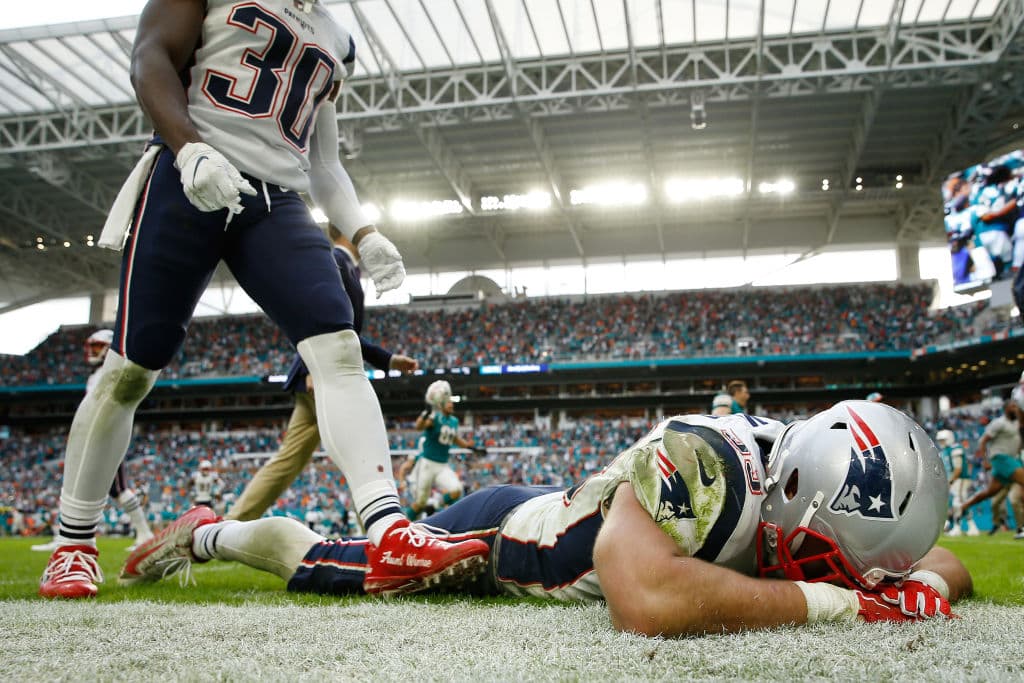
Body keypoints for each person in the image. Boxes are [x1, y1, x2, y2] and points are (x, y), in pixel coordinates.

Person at [39, 0, 488, 599]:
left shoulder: (336, 36)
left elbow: (325, 161)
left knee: (339, 349)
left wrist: (364, 231)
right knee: (130, 371)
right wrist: (190, 146)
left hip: (275, 199)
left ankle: (389, 532)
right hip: (187, 173)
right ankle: (73, 543)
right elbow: (151, 59)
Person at [122, 401, 971, 635]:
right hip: (499, 537)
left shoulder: (830, 482)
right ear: (790, 491)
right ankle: (209, 531)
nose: (842, 575)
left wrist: (921, 581)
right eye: (823, 557)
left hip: (567, 516)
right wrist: (840, 602)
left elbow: (944, 569)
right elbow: (646, 600)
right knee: (345, 566)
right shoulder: (709, 459)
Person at [227, 226, 418, 522]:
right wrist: (311, 369)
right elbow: (311, 317)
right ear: (347, 231)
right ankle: (387, 532)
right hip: (323, 376)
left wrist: (390, 360)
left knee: (288, 462)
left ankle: (229, 525)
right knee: (361, 451)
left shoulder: (345, 267)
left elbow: (345, 333)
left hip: (321, 375)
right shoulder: (335, 263)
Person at [32, 329, 155, 553]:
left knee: (116, 489)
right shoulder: (96, 375)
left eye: (98, 346)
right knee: (104, 488)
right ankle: (65, 535)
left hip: (104, 438)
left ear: (109, 347)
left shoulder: (108, 373)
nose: (92, 351)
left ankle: (144, 533)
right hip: (98, 438)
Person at [397, 381, 484, 519]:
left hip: (442, 465)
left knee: (456, 490)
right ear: (441, 404)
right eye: (449, 402)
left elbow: (455, 439)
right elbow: (419, 426)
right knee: (420, 502)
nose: (451, 404)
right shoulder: (434, 417)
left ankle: (436, 505)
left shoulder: (454, 421)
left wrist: (471, 448)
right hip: (427, 464)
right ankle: (406, 522)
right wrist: (426, 413)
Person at [957, 400, 1024, 527]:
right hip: (1001, 458)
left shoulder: (1016, 423)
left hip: (1010, 460)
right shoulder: (998, 423)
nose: (1015, 408)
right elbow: (983, 441)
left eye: (1017, 406)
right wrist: (985, 461)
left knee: (989, 492)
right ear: (1006, 409)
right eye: (1013, 406)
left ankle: (963, 506)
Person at [935, 430, 979, 536]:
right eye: (940, 440)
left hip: (960, 479)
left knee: (957, 504)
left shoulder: (956, 449)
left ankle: (957, 527)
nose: (942, 442)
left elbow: (958, 469)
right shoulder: (945, 451)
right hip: (954, 480)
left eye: (943, 440)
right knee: (962, 503)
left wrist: (950, 481)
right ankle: (972, 527)